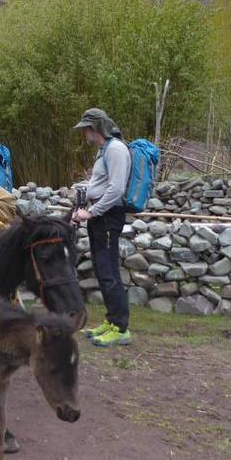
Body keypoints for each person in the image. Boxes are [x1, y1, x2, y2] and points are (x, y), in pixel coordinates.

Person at [72, 108, 132, 347]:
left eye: (85, 128)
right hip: (99, 216)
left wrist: (92, 211)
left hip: (108, 217)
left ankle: (120, 328)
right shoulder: (104, 150)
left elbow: (116, 189)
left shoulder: (116, 149)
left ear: (94, 128)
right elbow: (100, 183)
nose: (83, 132)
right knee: (102, 269)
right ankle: (112, 321)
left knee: (109, 273)